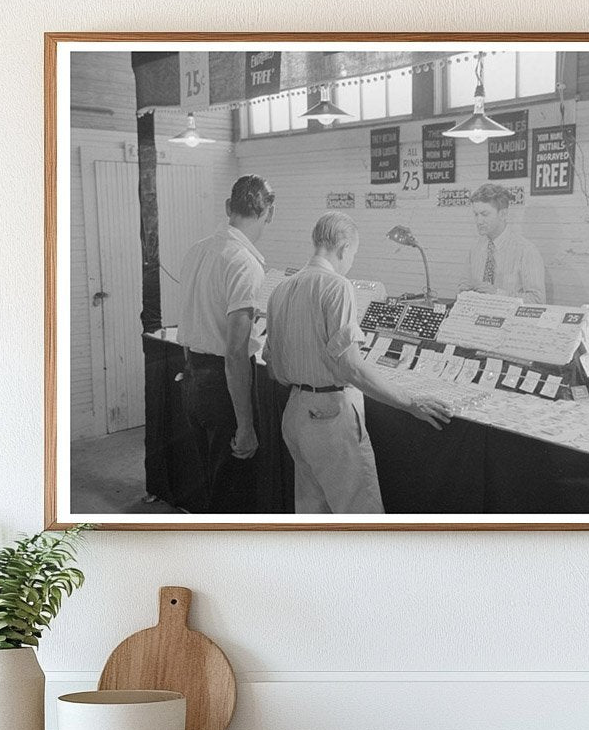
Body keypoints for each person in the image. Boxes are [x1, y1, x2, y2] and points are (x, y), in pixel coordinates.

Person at [266, 211, 451, 514]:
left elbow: (272, 367)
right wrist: (409, 402)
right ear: (343, 247)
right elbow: (350, 367)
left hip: (295, 414)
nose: (351, 261)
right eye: (353, 254)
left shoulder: (280, 290)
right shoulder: (337, 286)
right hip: (330, 419)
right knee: (362, 517)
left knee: (314, 515)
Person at [176, 174, 275, 512]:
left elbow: (190, 318)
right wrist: (245, 426)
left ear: (228, 206)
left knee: (209, 481)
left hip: (192, 377)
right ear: (269, 213)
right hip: (222, 388)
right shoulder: (244, 263)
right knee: (233, 490)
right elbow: (235, 353)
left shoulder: (196, 251)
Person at [458, 182, 546, 304]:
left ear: (503, 214)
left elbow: (538, 300)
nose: (479, 221)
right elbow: (463, 287)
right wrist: (466, 293)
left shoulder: (526, 251)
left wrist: (497, 295)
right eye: (476, 214)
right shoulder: (475, 249)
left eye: (484, 214)